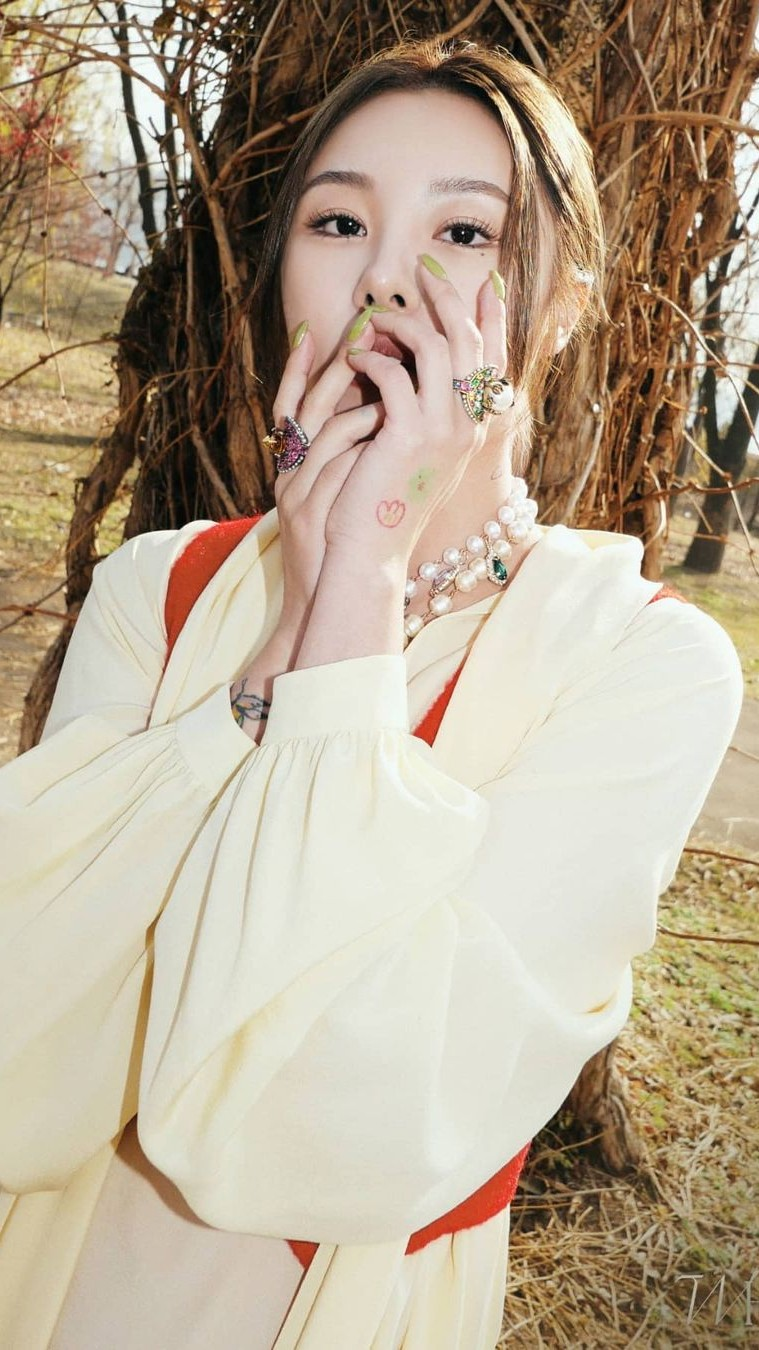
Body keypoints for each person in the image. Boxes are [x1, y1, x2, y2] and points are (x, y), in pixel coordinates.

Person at [0, 36, 743, 1350]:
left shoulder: (640, 663)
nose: (388, 279)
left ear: (562, 303)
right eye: (339, 221)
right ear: (284, 273)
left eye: (465, 231)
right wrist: (285, 639)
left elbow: (364, 1121)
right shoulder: (158, 590)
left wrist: (362, 578)